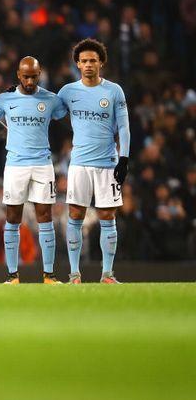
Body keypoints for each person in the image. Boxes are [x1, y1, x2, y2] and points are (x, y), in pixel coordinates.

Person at [0, 56, 67, 284]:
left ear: (39, 74)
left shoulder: (51, 99)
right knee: (12, 217)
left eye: (34, 76)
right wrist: (6, 130)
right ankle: (12, 275)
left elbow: (64, 119)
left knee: (45, 217)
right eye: (25, 77)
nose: (30, 81)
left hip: (43, 164)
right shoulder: (5, 99)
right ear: (18, 75)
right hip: (15, 165)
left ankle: (49, 275)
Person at [58, 38, 130, 284]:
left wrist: (124, 158)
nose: (88, 64)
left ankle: (107, 274)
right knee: (75, 214)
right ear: (77, 64)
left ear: (101, 63)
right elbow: (50, 111)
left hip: (107, 164)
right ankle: (74, 274)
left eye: (93, 60)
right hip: (79, 163)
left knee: (107, 216)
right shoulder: (67, 92)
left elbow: (124, 127)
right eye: (84, 61)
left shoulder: (114, 91)